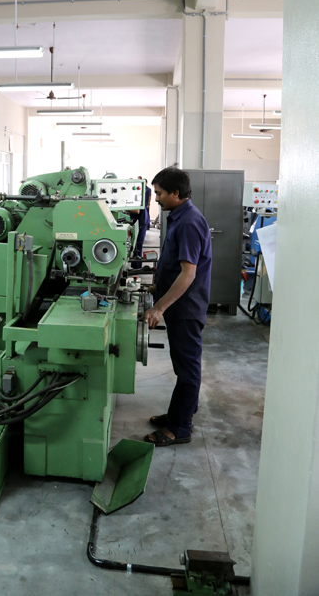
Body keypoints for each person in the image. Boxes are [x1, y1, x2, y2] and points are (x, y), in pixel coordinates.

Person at [143, 167, 212, 447]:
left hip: (186, 309)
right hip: (180, 305)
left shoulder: (188, 223)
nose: (157, 198)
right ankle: (179, 414)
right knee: (184, 366)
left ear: (176, 193)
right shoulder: (179, 218)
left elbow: (188, 274)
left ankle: (180, 428)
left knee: (187, 369)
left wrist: (158, 307)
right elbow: (174, 266)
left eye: (160, 193)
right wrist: (156, 287)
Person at [131, 178, 152, 269]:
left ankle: (137, 266)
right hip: (140, 220)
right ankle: (135, 264)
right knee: (136, 243)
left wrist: (122, 209)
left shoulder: (136, 195)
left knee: (138, 243)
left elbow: (137, 210)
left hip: (141, 220)